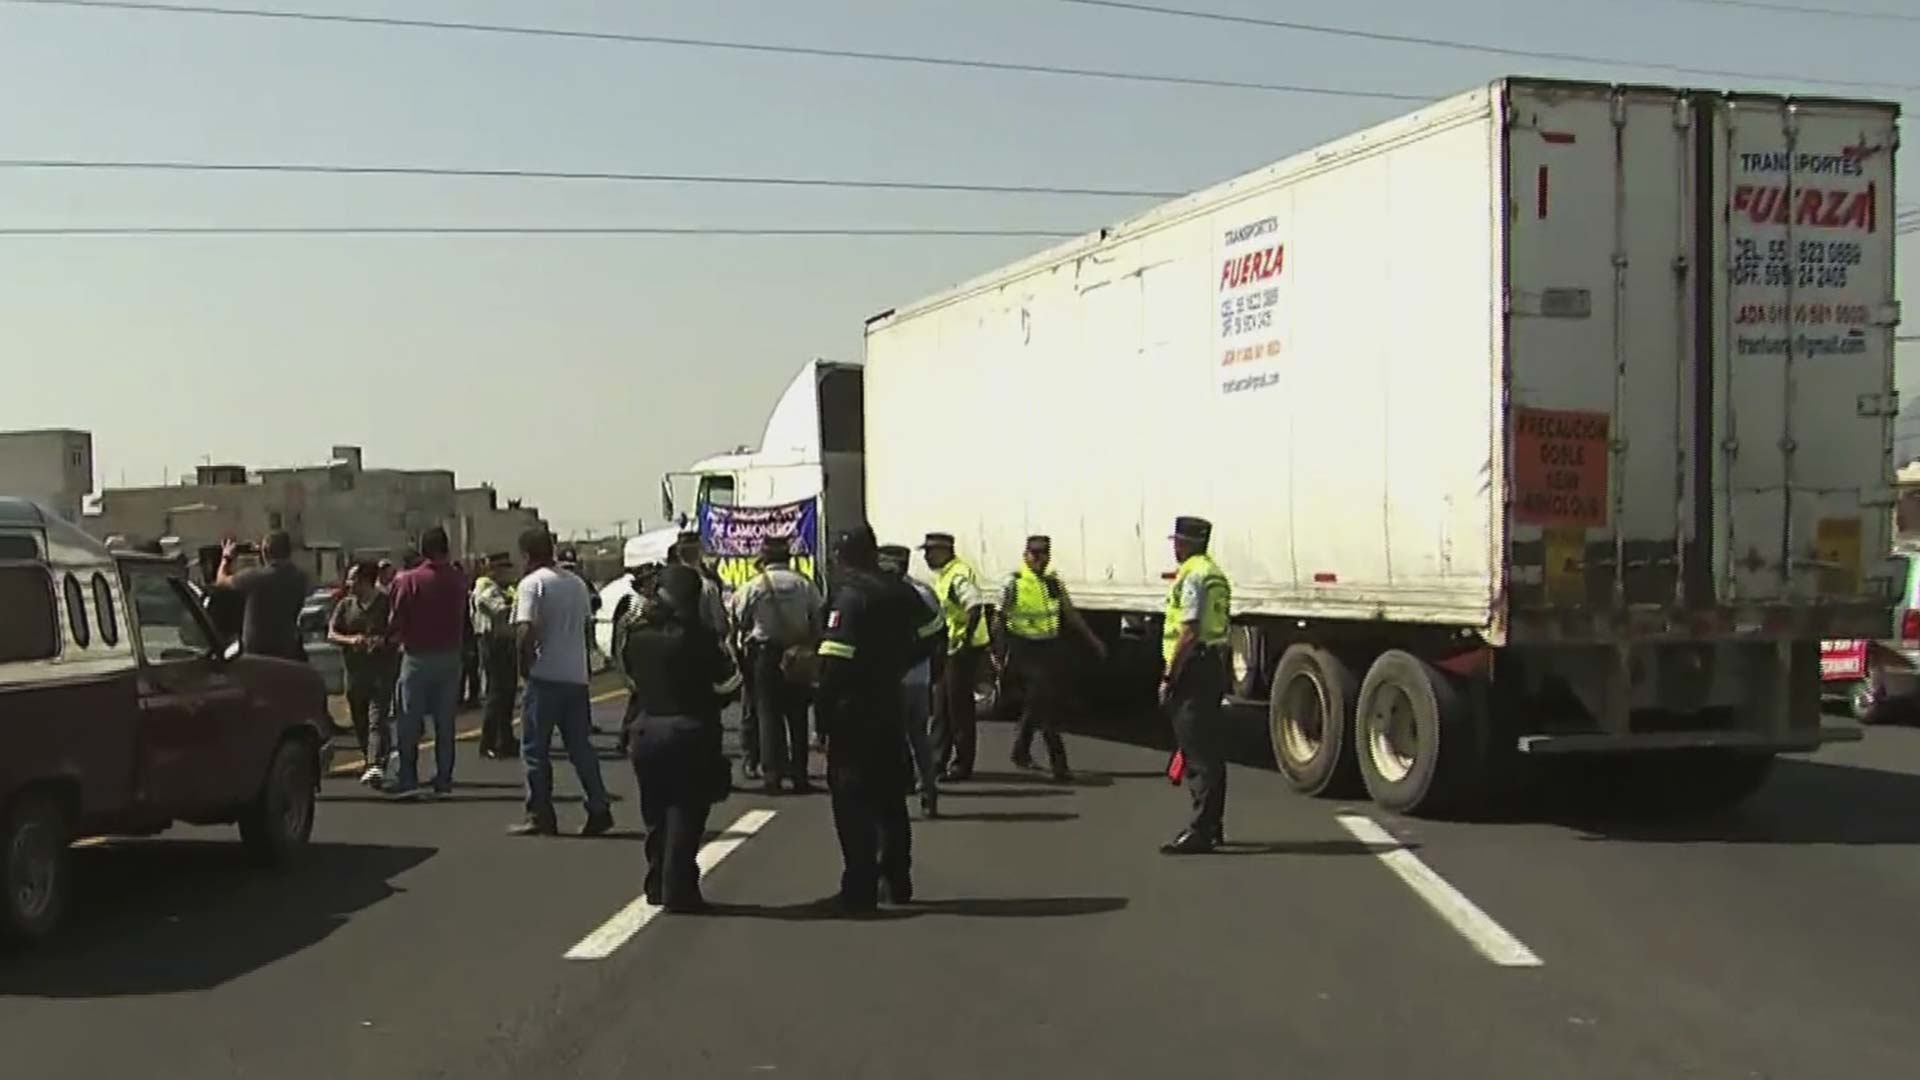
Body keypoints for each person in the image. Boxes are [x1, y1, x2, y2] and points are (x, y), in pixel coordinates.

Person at [815, 526, 938, 913]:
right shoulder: (900, 589)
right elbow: (934, 633)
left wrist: (822, 717)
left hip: (853, 709)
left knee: (852, 802)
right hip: (889, 701)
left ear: (842, 555)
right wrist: (898, 663)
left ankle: (859, 889)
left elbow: (834, 663)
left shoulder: (849, 596)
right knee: (889, 799)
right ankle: (896, 881)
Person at [621, 563, 742, 912]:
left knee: (655, 813)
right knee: (687, 812)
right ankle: (679, 886)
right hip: (691, 730)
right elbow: (730, 683)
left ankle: (657, 881)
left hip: (646, 729)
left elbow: (629, 677)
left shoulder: (638, 634)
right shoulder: (701, 637)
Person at [511, 527, 615, 837]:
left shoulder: (532, 585)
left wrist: (524, 666)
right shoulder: (576, 584)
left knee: (534, 750)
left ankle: (540, 813)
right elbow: (585, 628)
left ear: (527, 555)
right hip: (575, 675)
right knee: (581, 748)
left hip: (545, 676)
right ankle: (599, 806)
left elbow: (525, 630)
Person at [997, 534, 1107, 782]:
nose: (1039, 559)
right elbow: (999, 618)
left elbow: (1069, 613)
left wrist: (1093, 640)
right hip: (1024, 649)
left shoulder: (1053, 583)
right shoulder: (1013, 582)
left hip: (1048, 649)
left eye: (1044, 554)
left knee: (1037, 703)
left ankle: (1020, 751)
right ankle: (1060, 765)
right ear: (1025, 555)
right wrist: (999, 652)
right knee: (1047, 707)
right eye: (1034, 554)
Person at [1159, 517, 1234, 855]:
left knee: (1197, 752)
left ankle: (1201, 830)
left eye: (1177, 541)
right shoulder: (1215, 572)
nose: (1174, 546)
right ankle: (1212, 826)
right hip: (1213, 663)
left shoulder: (1191, 575)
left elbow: (1188, 631)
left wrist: (1169, 676)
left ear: (1186, 543)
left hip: (1194, 666)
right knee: (1209, 749)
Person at [730, 536, 824, 795]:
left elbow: (737, 619)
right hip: (797, 654)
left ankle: (772, 776)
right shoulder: (804, 585)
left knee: (768, 716)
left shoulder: (754, 586)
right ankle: (800, 775)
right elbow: (818, 619)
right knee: (798, 717)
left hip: (765, 655)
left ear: (764, 558)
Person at [385, 526, 469, 797]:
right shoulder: (459, 580)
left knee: (409, 719)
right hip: (450, 655)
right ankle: (444, 776)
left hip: (417, 655)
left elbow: (395, 618)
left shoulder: (407, 580)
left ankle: (407, 775)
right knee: (445, 722)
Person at [879, 544, 945, 818]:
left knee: (887, 740)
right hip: (920, 676)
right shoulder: (925, 592)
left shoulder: (881, 594)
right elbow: (939, 634)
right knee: (920, 738)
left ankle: (892, 797)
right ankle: (928, 791)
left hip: (889, 679)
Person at [920, 532, 992, 782]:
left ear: (944, 550)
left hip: (961, 652)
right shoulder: (944, 575)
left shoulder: (958, 574)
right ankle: (937, 762)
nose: (927, 557)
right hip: (949, 649)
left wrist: (964, 640)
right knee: (941, 709)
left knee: (958, 711)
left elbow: (974, 606)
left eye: (930, 551)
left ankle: (962, 765)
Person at [329, 560, 398, 786]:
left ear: (366, 581)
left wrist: (383, 642)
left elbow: (397, 633)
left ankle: (375, 763)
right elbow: (332, 633)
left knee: (376, 718)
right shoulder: (346, 606)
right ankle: (375, 756)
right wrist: (350, 640)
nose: (349, 583)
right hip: (355, 673)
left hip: (381, 671)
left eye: (353, 579)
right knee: (359, 719)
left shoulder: (386, 604)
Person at [213, 530, 310, 662]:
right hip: (287, 647)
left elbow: (221, 581)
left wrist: (227, 557)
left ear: (265, 551)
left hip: (258, 651)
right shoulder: (300, 578)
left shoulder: (255, 578)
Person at [471, 553, 519, 760]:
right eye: (503, 568)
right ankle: (489, 741)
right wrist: (517, 605)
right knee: (497, 693)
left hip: (506, 642)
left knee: (507, 693)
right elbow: (499, 611)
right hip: (493, 642)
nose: (508, 572)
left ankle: (505, 738)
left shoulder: (505, 590)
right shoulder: (487, 589)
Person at [459, 562, 483, 708]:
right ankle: (460, 697)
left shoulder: (468, 596)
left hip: (468, 634)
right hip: (460, 635)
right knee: (462, 669)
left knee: (471, 667)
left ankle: (473, 697)